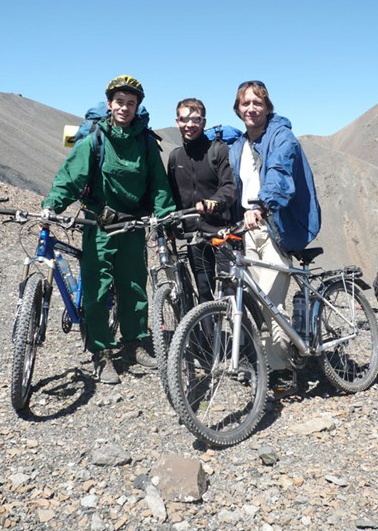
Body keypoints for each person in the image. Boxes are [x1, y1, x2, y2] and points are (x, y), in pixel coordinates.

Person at [41, 75, 176, 384]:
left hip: (132, 226)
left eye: (131, 103)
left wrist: (164, 217)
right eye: (119, 102)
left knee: (134, 287)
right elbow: (71, 177)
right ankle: (101, 353)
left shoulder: (145, 143)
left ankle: (133, 343)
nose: (124, 108)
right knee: (97, 290)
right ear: (109, 104)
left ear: (137, 107)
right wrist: (52, 206)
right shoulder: (95, 140)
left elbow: (158, 184)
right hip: (99, 227)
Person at [229, 80, 321, 391]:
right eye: (245, 103)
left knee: (271, 303)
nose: (251, 108)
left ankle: (283, 370)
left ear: (268, 108)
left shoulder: (282, 137)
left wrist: (262, 206)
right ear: (237, 109)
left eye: (258, 103)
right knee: (257, 303)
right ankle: (269, 359)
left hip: (274, 226)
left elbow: (280, 175)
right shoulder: (239, 145)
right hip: (248, 229)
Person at [168, 98, 237, 303]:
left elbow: (229, 186)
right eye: (184, 119)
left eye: (196, 119)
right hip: (194, 236)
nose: (190, 124)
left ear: (204, 122)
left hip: (222, 233)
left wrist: (213, 202)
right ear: (177, 122)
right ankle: (206, 326)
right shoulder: (175, 157)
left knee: (230, 293)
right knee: (204, 292)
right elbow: (172, 196)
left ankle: (240, 324)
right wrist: (169, 226)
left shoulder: (218, 151)